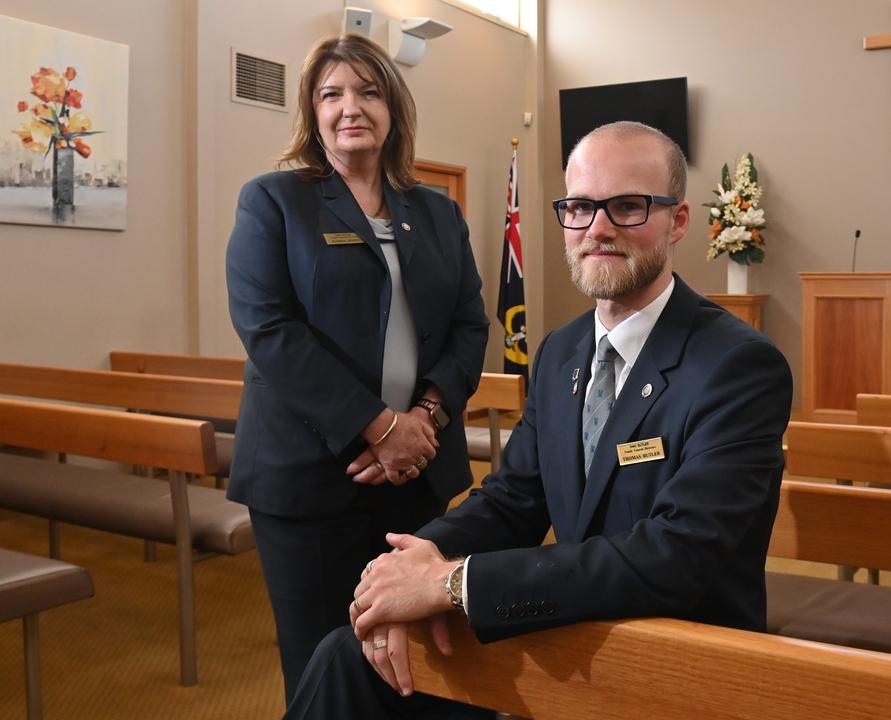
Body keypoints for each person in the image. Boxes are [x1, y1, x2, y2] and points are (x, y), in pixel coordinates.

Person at [284, 121, 793, 719]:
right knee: (347, 660)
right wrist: (413, 563)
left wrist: (452, 585)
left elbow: (679, 556)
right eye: (580, 207)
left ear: (678, 220)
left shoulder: (738, 364)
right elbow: (512, 500)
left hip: (674, 657)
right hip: (566, 623)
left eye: (627, 206)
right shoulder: (562, 352)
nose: (597, 228)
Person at [225, 33, 487, 703]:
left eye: (369, 92)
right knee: (324, 662)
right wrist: (376, 427)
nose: (351, 108)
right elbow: (268, 328)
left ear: (393, 107)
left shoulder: (437, 211)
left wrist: (423, 420)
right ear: (311, 112)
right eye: (332, 94)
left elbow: (468, 326)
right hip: (310, 478)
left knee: (424, 660)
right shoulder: (274, 202)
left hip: (418, 475)